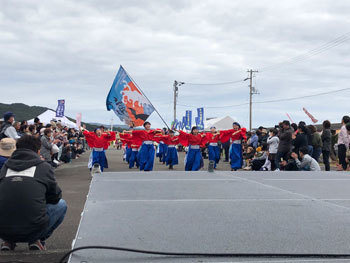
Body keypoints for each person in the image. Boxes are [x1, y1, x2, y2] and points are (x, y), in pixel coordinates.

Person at [0, 135, 67, 251]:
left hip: (3, 230)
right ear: (38, 151)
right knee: (61, 204)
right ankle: (37, 240)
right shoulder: (44, 167)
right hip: (34, 229)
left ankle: (8, 241)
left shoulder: (5, 167)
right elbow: (56, 196)